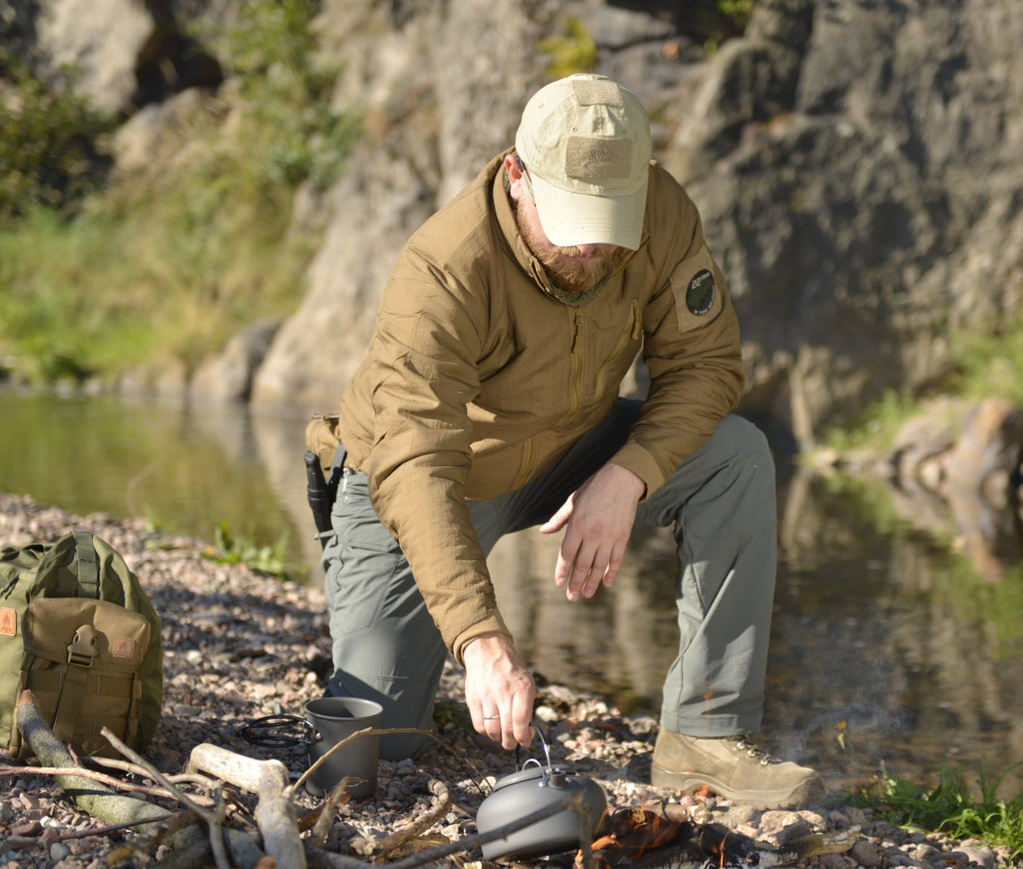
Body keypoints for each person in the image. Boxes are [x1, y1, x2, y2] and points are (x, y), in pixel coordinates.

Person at [319, 73, 823, 808]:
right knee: (373, 749)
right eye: (571, 217)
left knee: (735, 455)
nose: (591, 244)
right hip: (430, 479)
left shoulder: (662, 212)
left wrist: (628, 473)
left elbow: (706, 364)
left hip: (576, 443)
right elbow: (414, 461)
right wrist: (481, 640)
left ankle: (704, 741)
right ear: (517, 176)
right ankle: (413, 676)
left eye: (609, 219)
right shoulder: (443, 267)